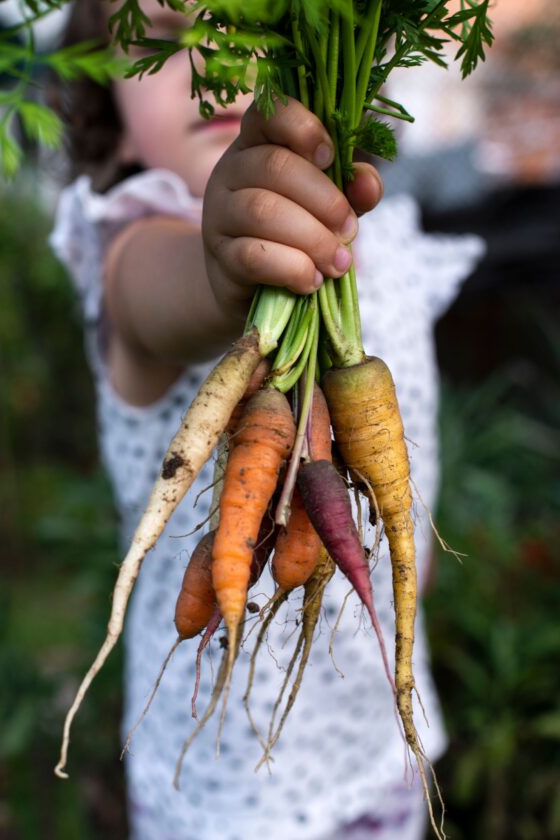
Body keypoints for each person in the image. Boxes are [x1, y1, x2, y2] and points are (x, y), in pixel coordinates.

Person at [50, 2, 484, 838]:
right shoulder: (134, 242)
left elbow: (406, 475)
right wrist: (224, 271)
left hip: (377, 758)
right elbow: (161, 297)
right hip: (220, 801)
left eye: (246, 29)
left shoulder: (378, 240)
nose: (215, 66)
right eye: (164, 41)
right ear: (112, 121)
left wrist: (406, 569)